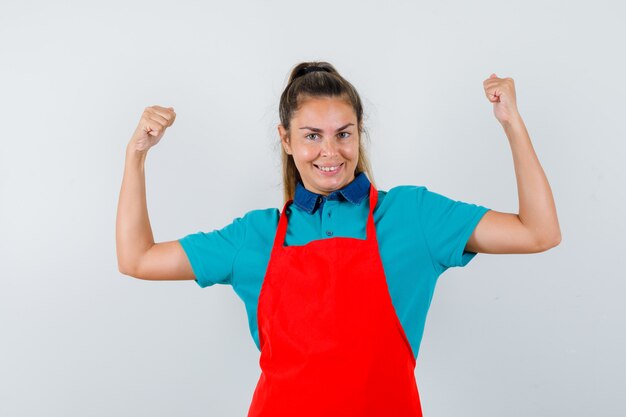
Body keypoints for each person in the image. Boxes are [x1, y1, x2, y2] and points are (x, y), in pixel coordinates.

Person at [116, 62, 561, 417]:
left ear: (358, 132)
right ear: (285, 140)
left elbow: (538, 232)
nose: (330, 152)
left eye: (343, 134)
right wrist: (135, 156)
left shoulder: (412, 216)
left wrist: (511, 122)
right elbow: (137, 258)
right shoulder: (255, 236)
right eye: (312, 136)